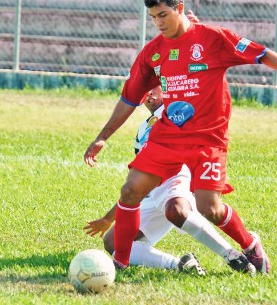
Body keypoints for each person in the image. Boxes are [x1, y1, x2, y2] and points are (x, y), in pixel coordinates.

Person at [84, 0, 277, 273]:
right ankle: (118, 264)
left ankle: (249, 244)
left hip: (209, 140)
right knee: (131, 190)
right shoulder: (153, 53)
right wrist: (102, 137)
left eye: (163, 15)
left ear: (179, 9)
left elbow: (260, 53)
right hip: (168, 137)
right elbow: (129, 97)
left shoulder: (212, 39)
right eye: (153, 18)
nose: (159, 23)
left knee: (209, 207)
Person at [84, 85, 256, 275]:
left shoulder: (175, 113)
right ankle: (181, 264)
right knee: (113, 243)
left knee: (177, 210)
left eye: (154, 87)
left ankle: (232, 255)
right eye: (144, 89)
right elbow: (140, 182)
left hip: (175, 177)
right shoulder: (144, 127)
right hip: (153, 190)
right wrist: (109, 218)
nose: (148, 92)